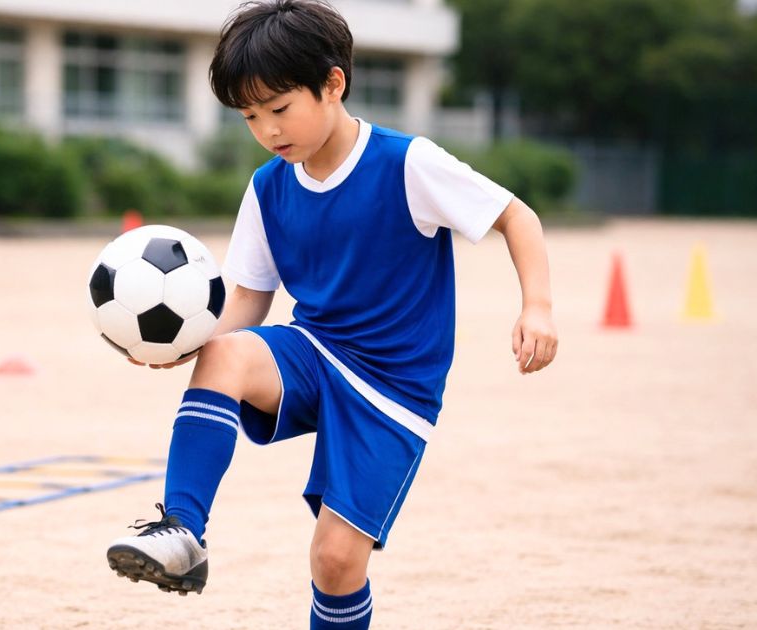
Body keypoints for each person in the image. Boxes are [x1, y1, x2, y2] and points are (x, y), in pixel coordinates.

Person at [105, 1, 558, 627]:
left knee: (336, 561)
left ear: (333, 84)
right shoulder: (268, 187)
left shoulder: (407, 163)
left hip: (394, 387)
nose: (267, 130)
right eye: (250, 117)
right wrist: (191, 348)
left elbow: (517, 217)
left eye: (279, 108)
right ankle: (182, 530)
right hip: (314, 353)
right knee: (225, 351)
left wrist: (536, 305)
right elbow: (246, 300)